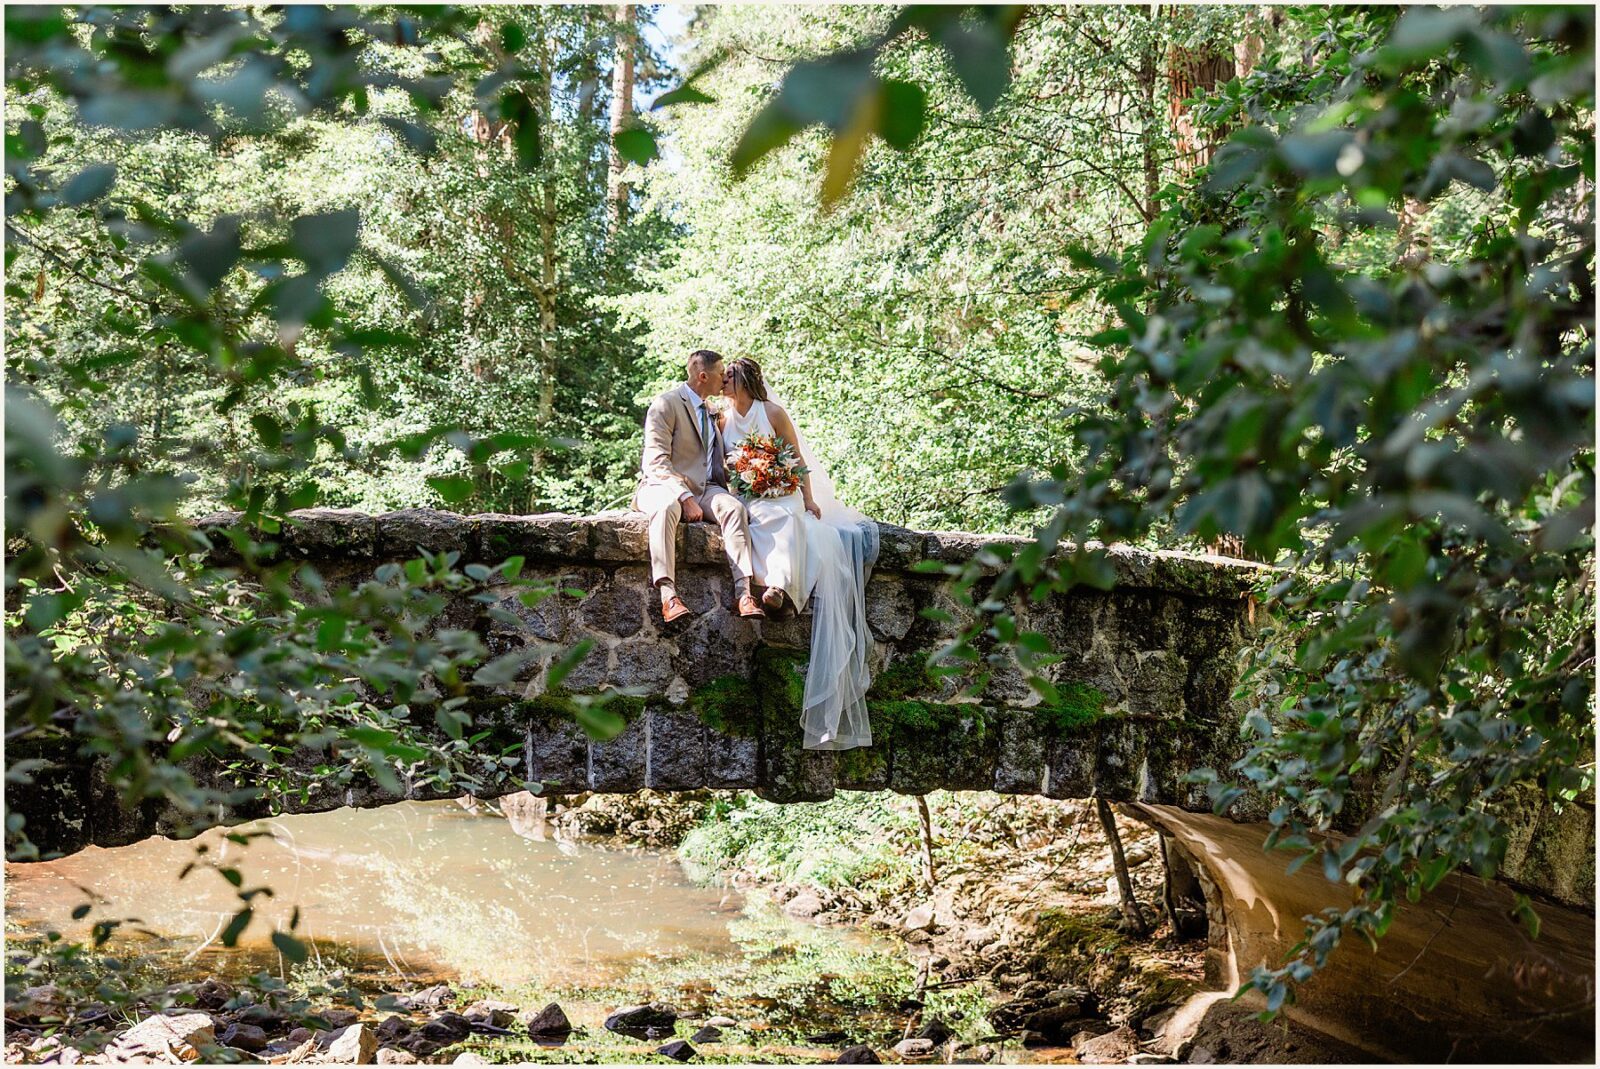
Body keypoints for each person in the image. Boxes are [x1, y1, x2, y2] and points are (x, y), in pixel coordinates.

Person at [719, 357, 877, 750]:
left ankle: (778, 588)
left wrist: (807, 499)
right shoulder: (721, 419)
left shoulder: (771, 412)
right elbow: (722, 467)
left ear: (744, 380)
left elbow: (796, 458)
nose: (723, 383)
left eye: (729, 378)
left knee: (789, 523)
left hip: (783, 493)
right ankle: (774, 584)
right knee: (758, 523)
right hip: (749, 496)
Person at [633, 349, 766, 624]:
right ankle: (668, 595)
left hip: (708, 489)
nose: (725, 379)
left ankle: (744, 593)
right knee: (666, 507)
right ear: (703, 376)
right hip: (661, 486)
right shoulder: (666, 404)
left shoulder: (714, 411)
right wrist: (683, 496)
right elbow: (655, 462)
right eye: (721, 374)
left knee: (733, 508)